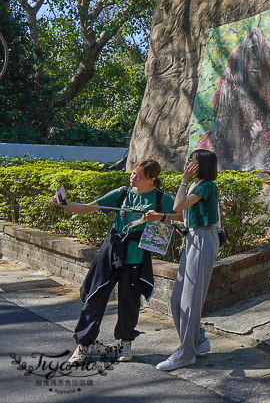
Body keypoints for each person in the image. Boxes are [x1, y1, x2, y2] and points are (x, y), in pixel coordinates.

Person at [51, 159, 175, 365]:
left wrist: (161, 217)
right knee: (95, 296)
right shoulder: (123, 192)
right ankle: (83, 345)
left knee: (130, 301)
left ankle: (126, 342)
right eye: (133, 173)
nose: (133, 177)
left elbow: (182, 217)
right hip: (112, 249)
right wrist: (65, 204)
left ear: (152, 180)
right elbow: (86, 208)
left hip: (136, 255)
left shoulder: (162, 198)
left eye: (139, 176)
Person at [156, 148, 220, 371]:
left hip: (202, 240)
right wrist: (162, 218)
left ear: (200, 165)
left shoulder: (206, 186)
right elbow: (182, 214)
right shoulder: (198, 185)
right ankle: (198, 341)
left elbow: (177, 206)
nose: (187, 165)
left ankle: (186, 354)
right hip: (193, 238)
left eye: (191, 162)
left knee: (190, 301)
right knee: (177, 301)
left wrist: (183, 181)